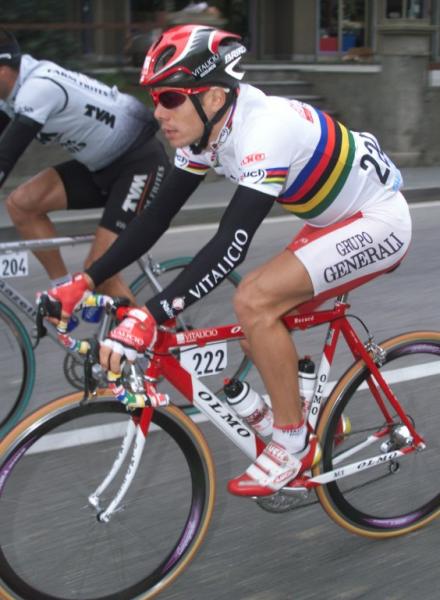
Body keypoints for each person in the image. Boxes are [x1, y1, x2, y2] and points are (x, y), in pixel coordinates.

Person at [45, 24, 412, 496]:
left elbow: (230, 243)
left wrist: (150, 315)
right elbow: (154, 219)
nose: (159, 114)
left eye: (170, 98)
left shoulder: (264, 131)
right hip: (334, 220)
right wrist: (86, 279)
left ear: (214, 97)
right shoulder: (206, 131)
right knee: (259, 324)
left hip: (378, 220)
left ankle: (293, 444)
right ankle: (314, 416)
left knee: (254, 301)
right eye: (155, 99)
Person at [0, 29, 170, 309]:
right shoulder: (12, 89)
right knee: (22, 204)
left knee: (99, 271)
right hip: (99, 166)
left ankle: (141, 335)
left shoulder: (38, 88)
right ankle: (63, 291)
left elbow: (5, 158)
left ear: (3, 69)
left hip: (139, 163)